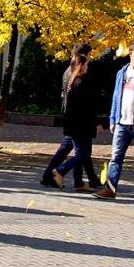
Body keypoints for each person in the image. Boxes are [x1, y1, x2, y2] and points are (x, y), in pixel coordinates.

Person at [40, 43, 100, 191]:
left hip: (70, 120)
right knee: (83, 153)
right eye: (89, 56)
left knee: (66, 148)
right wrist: (94, 123)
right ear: (85, 57)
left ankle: (50, 177)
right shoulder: (79, 78)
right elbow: (86, 105)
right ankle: (60, 172)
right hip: (79, 122)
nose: (90, 61)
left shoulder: (68, 72)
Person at [94, 42, 134, 200]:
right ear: (131, 53)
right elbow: (116, 97)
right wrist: (112, 119)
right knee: (115, 158)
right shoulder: (122, 72)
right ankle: (110, 189)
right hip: (121, 123)